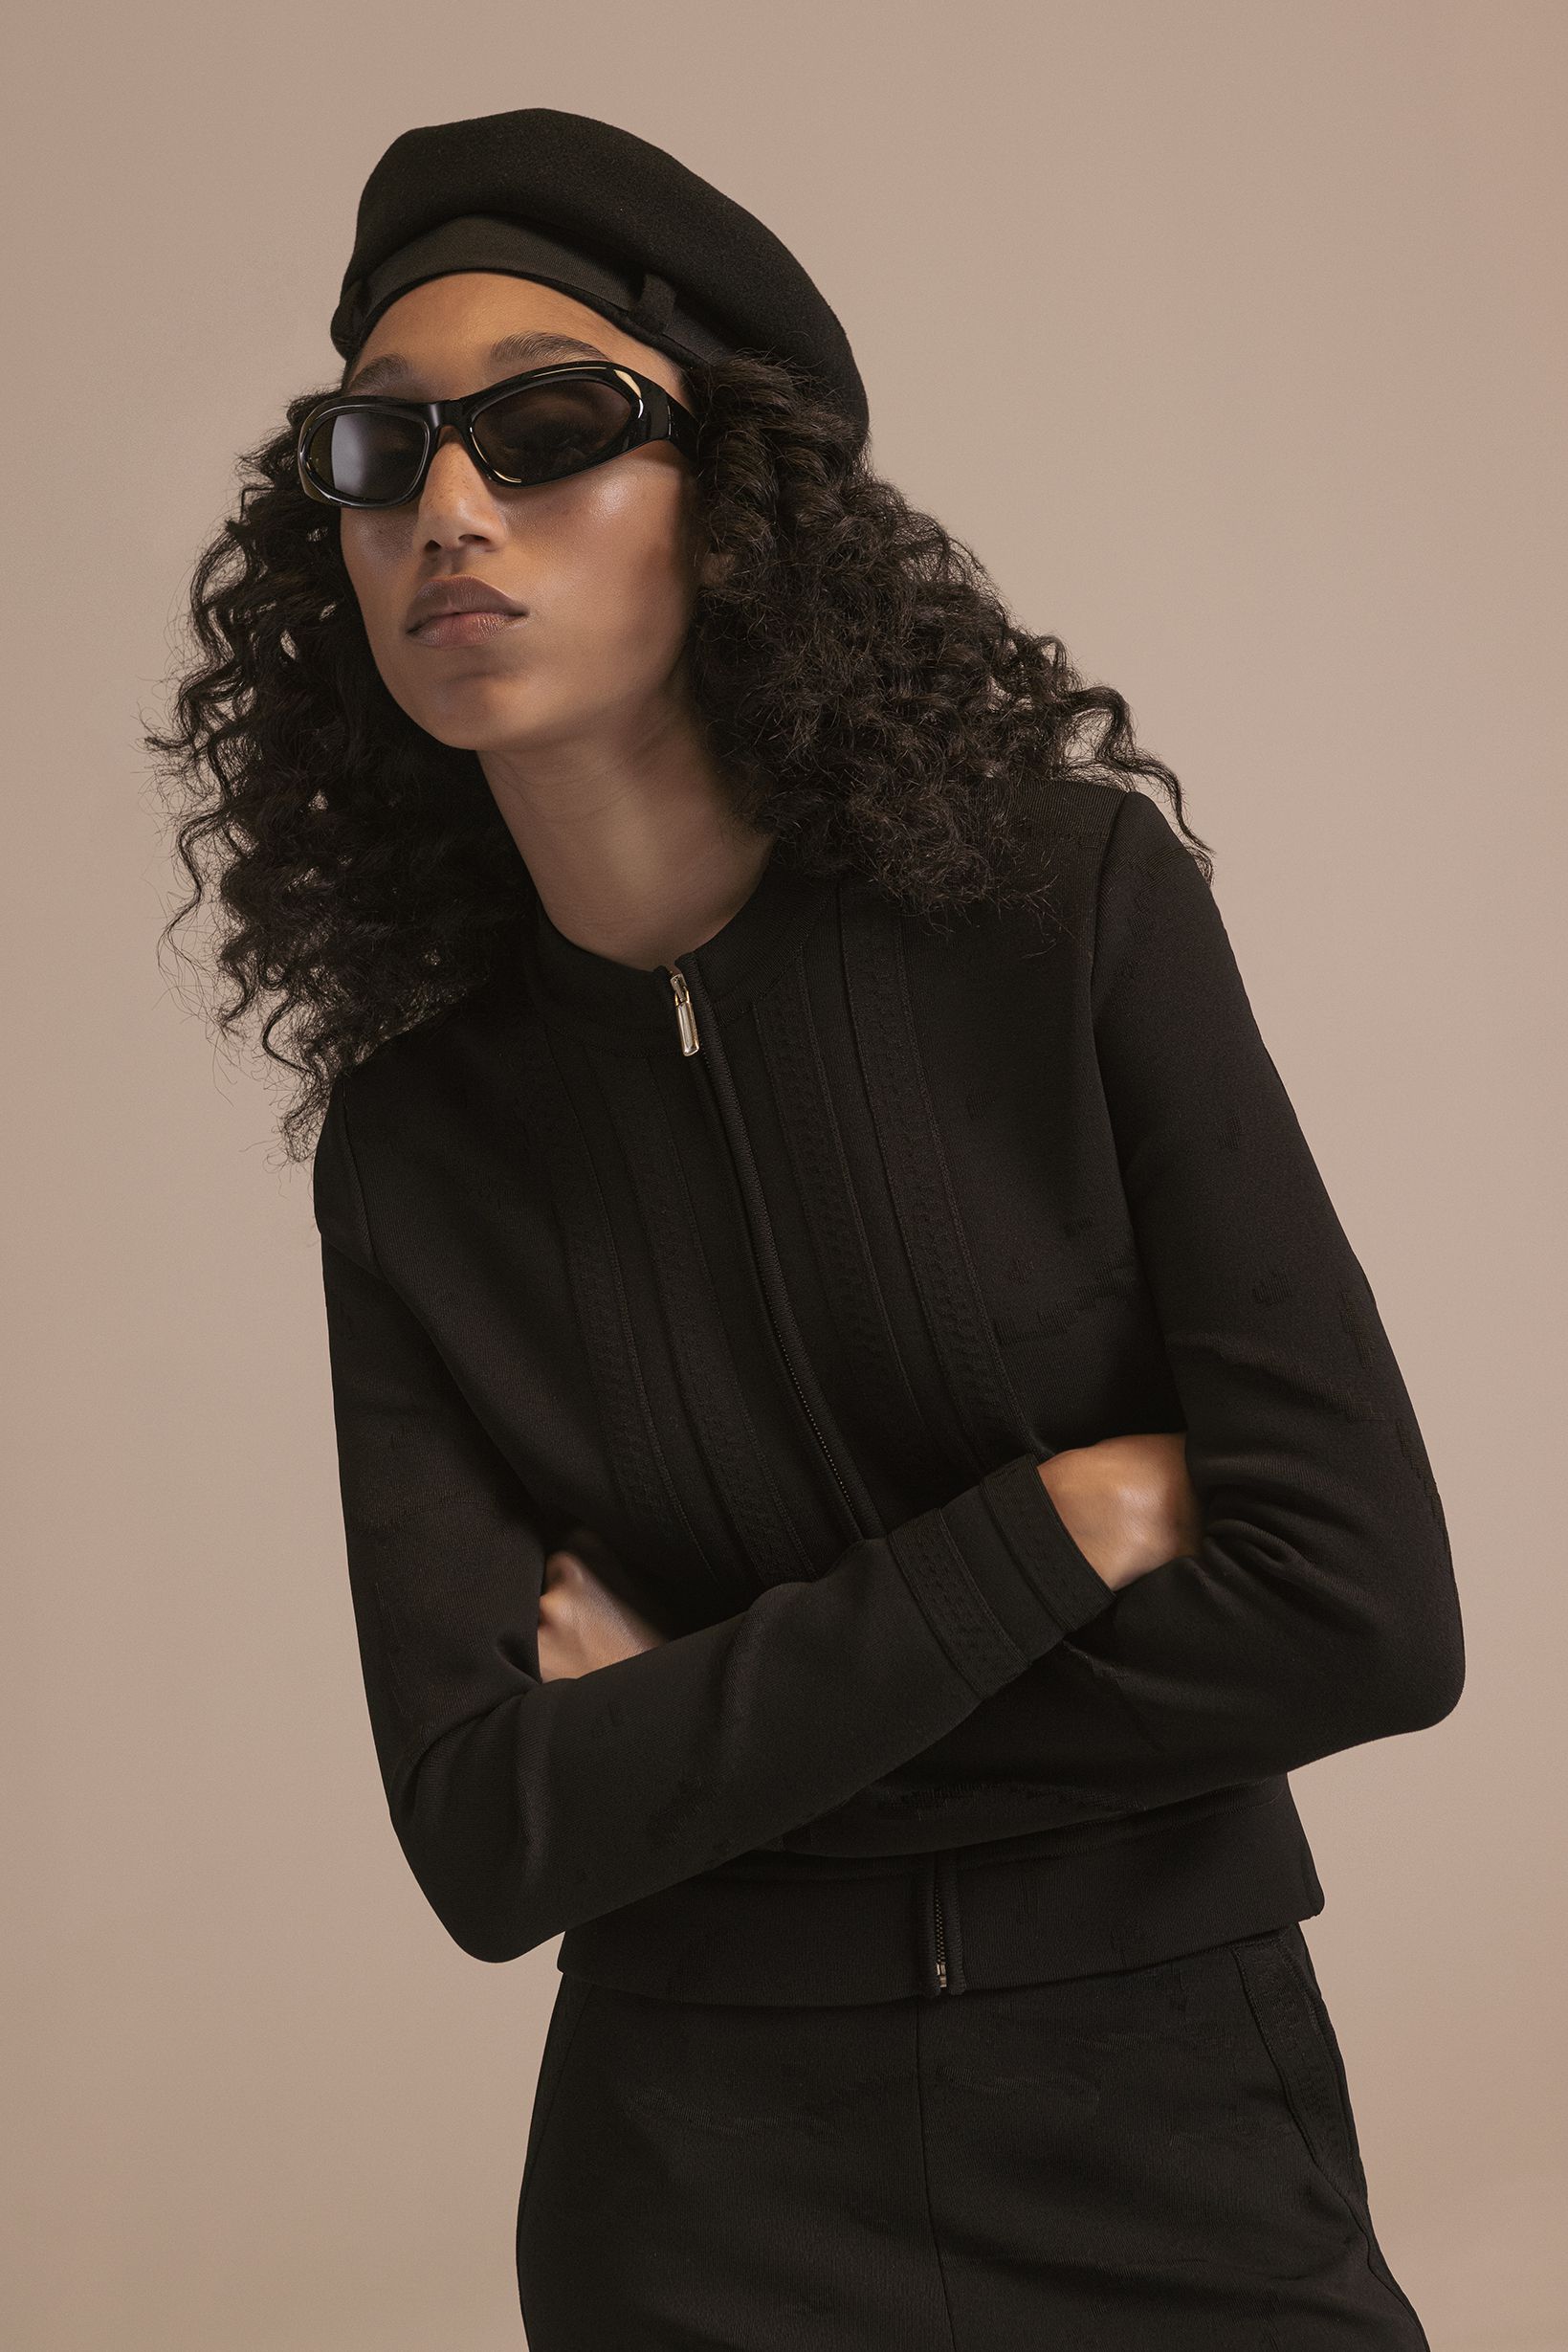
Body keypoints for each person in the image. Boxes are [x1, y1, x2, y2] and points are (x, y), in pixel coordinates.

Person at [149, 105, 1460, 2350]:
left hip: (1166, 2133)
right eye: (378, 448)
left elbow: (1360, 1620)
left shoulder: (1064, 915)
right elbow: (486, 1832)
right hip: (696, 2203)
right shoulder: (417, 1144)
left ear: (732, 500)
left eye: (548, 425)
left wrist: (683, 1732)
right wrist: (1046, 1531)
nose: (449, 503)